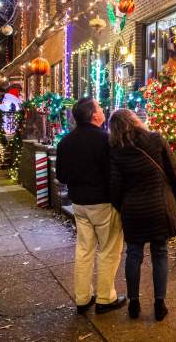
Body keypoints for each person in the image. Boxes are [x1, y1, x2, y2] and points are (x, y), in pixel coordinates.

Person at [108, 109, 176, 321]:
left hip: (133, 210)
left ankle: (133, 303)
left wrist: (121, 205)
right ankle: (160, 304)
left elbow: (115, 185)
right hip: (159, 206)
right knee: (160, 253)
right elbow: (173, 170)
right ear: (135, 121)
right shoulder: (155, 139)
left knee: (133, 254)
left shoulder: (116, 150)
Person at [56, 98, 126, 315]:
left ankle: (83, 297)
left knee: (84, 250)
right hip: (103, 203)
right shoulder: (105, 140)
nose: (102, 110)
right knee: (109, 250)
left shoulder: (65, 142)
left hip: (79, 203)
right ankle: (106, 298)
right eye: (99, 107)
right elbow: (114, 174)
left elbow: (61, 176)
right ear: (93, 115)